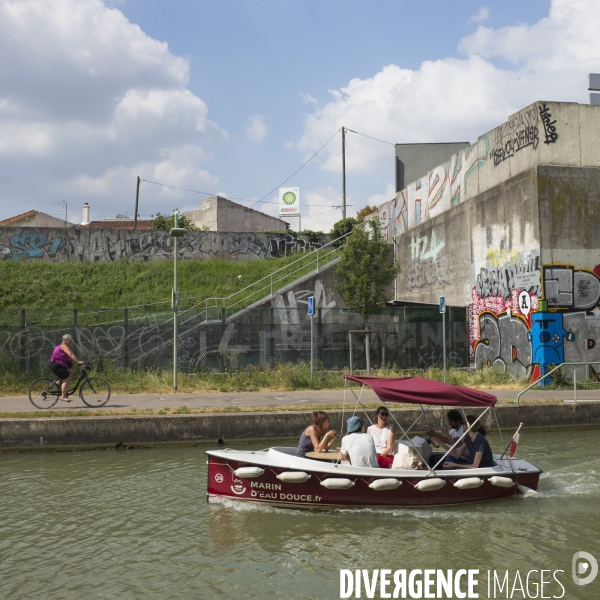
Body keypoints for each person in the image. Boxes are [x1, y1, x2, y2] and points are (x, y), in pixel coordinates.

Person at [49, 334, 83, 402]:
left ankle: (59, 382)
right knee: (67, 379)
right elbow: (70, 354)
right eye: (70, 340)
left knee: (71, 371)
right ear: (67, 341)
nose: (71, 342)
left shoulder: (62, 346)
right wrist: (78, 362)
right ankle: (63, 396)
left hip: (56, 365)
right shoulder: (64, 346)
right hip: (56, 366)